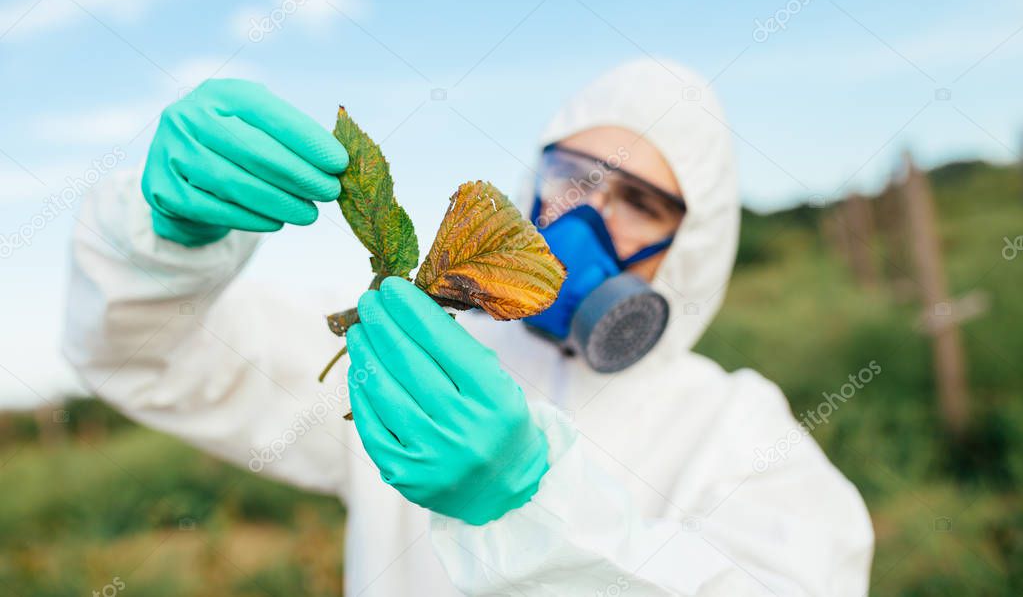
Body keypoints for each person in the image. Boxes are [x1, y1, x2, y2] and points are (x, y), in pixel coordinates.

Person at [62, 58, 874, 595]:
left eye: (639, 202)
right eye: (573, 178)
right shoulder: (417, 361)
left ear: (690, 246)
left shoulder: (734, 427)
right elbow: (156, 359)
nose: (586, 217)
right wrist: (162, 240)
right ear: (531, 182)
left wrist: (528, 503)